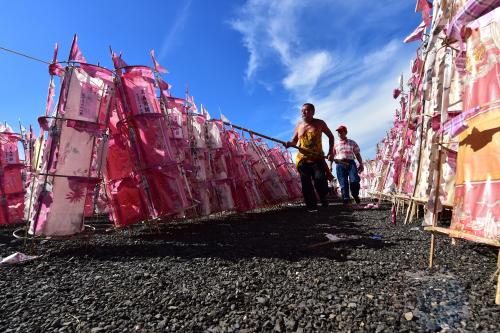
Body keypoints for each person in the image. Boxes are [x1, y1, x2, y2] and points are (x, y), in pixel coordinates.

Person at [286, 103, 335, 211]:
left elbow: (331, 136)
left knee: (320, 180)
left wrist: (330, 151)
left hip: (317, 159)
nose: (303, 112)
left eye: (307, 110)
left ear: (313, 112)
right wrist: (290, 144)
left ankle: (323, 196)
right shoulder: (299, 126)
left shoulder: (319, 123)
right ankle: (311, 207)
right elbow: (294, 141)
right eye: (302, 110)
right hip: (303, 159)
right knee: (306, 183)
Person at [332, 125, 364, 207]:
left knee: (354, 180)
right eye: (338, 132)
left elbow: (357, 154)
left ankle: (355, 194)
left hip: (350, 163)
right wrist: (330, 166)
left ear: (345, 132)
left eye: (341, 131)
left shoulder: (352, 142)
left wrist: (361, 163)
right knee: (343, 183)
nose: (339, 133)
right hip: (340, 163)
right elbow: (332, 156)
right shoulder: (335, 144)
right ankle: (345, 199)